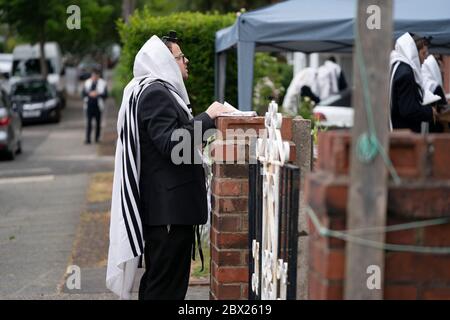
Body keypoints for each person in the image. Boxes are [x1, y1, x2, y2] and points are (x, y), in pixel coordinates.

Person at [106, 31, 235, 300]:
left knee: (162, 285)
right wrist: (209, 117)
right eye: (180, 57)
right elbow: (172, 145)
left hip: (170, 212)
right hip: (169, 213)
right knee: (164, 289)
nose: (185, 61)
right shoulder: (156, 93)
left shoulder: (156, 90)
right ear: (164, 61)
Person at [389, 32, 441, 133]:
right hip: (403, 134)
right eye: (423, 53)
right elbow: (408, 109)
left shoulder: (397, 67)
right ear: (413, 52)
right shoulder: (406, 73)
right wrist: (429, 111)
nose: (425, 58)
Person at [82, 68, 107, 143]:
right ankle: (88, 139)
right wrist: (90, 94)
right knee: (89, 123)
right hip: (89, 105)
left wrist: (98, 94)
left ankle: (97, 138)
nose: (94, 77)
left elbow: (105, 95)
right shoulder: (87, 83)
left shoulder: (103, 83)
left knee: (98, 123)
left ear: (98, 76)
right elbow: (83, 94)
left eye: (96, 75)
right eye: (93, 76)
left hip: (98, 106)